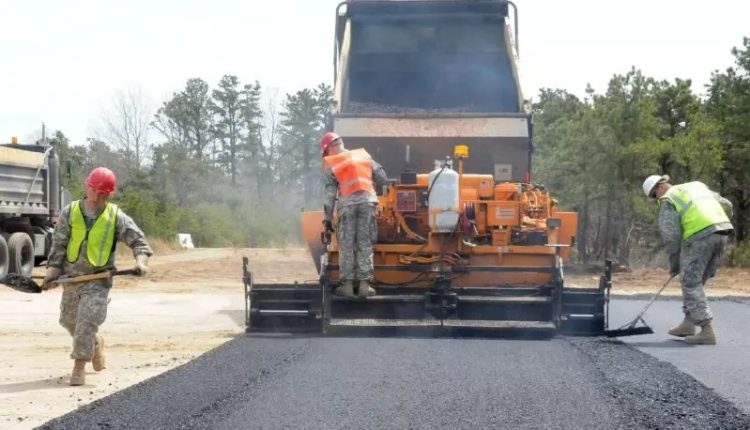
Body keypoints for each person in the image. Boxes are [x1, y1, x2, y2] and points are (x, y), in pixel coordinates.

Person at [42, 167, 153, 385]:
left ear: (109, 194)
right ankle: (95, 344)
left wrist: (141, 262)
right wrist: (52, 272)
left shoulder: (115, 216)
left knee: (86, 320)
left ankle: (79, 366)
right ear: (88, 187)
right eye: (96, 191)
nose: (99, 197)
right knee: (69, 321)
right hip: (72, 279)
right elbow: (59, 244)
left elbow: (140, 242)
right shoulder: (70, 211)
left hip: (98, 280)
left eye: (104, 194)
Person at [642, 174, 733, 345]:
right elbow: (725, 202)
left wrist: (675, 262)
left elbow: (671, 237)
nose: (656, 199)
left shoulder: (668, 199)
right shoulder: (695, 185)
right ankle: (689, 323)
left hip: (701, 235)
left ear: (660, 187)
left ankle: (706, 330)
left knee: (690, 282)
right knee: (696, 280)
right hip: (722, 231)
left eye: (654, 195)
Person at [320, 132, 388, 298]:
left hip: (347, 207)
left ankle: (348, 287)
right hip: (368, 204)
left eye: (326, 152)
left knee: (347, 244)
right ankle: (365, 287)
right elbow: (382, 178)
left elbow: (329, 197)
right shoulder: (362, 155)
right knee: (364, 243)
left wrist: (327, 219)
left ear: (329, 148)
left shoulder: (333, 163)